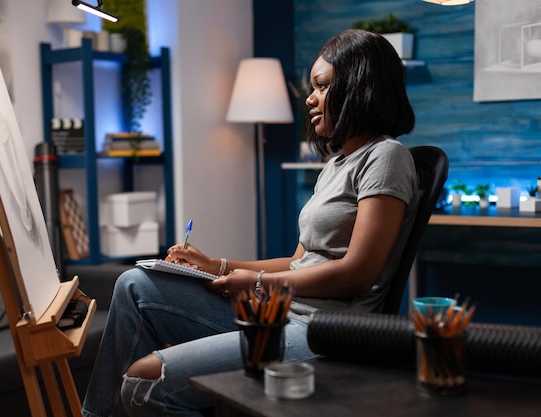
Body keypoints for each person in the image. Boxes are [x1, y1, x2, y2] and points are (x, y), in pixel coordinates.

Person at [81, 28, 419, 417]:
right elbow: (299, 261)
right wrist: (218, 266)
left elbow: (358, 274)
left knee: (145, 383)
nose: (310, 98)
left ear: (361, 87)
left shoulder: (387, 157)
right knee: (135, 284)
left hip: (326, 332)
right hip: (277, 311)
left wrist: (256, 283)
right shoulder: (337, 164)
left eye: (322, 87)